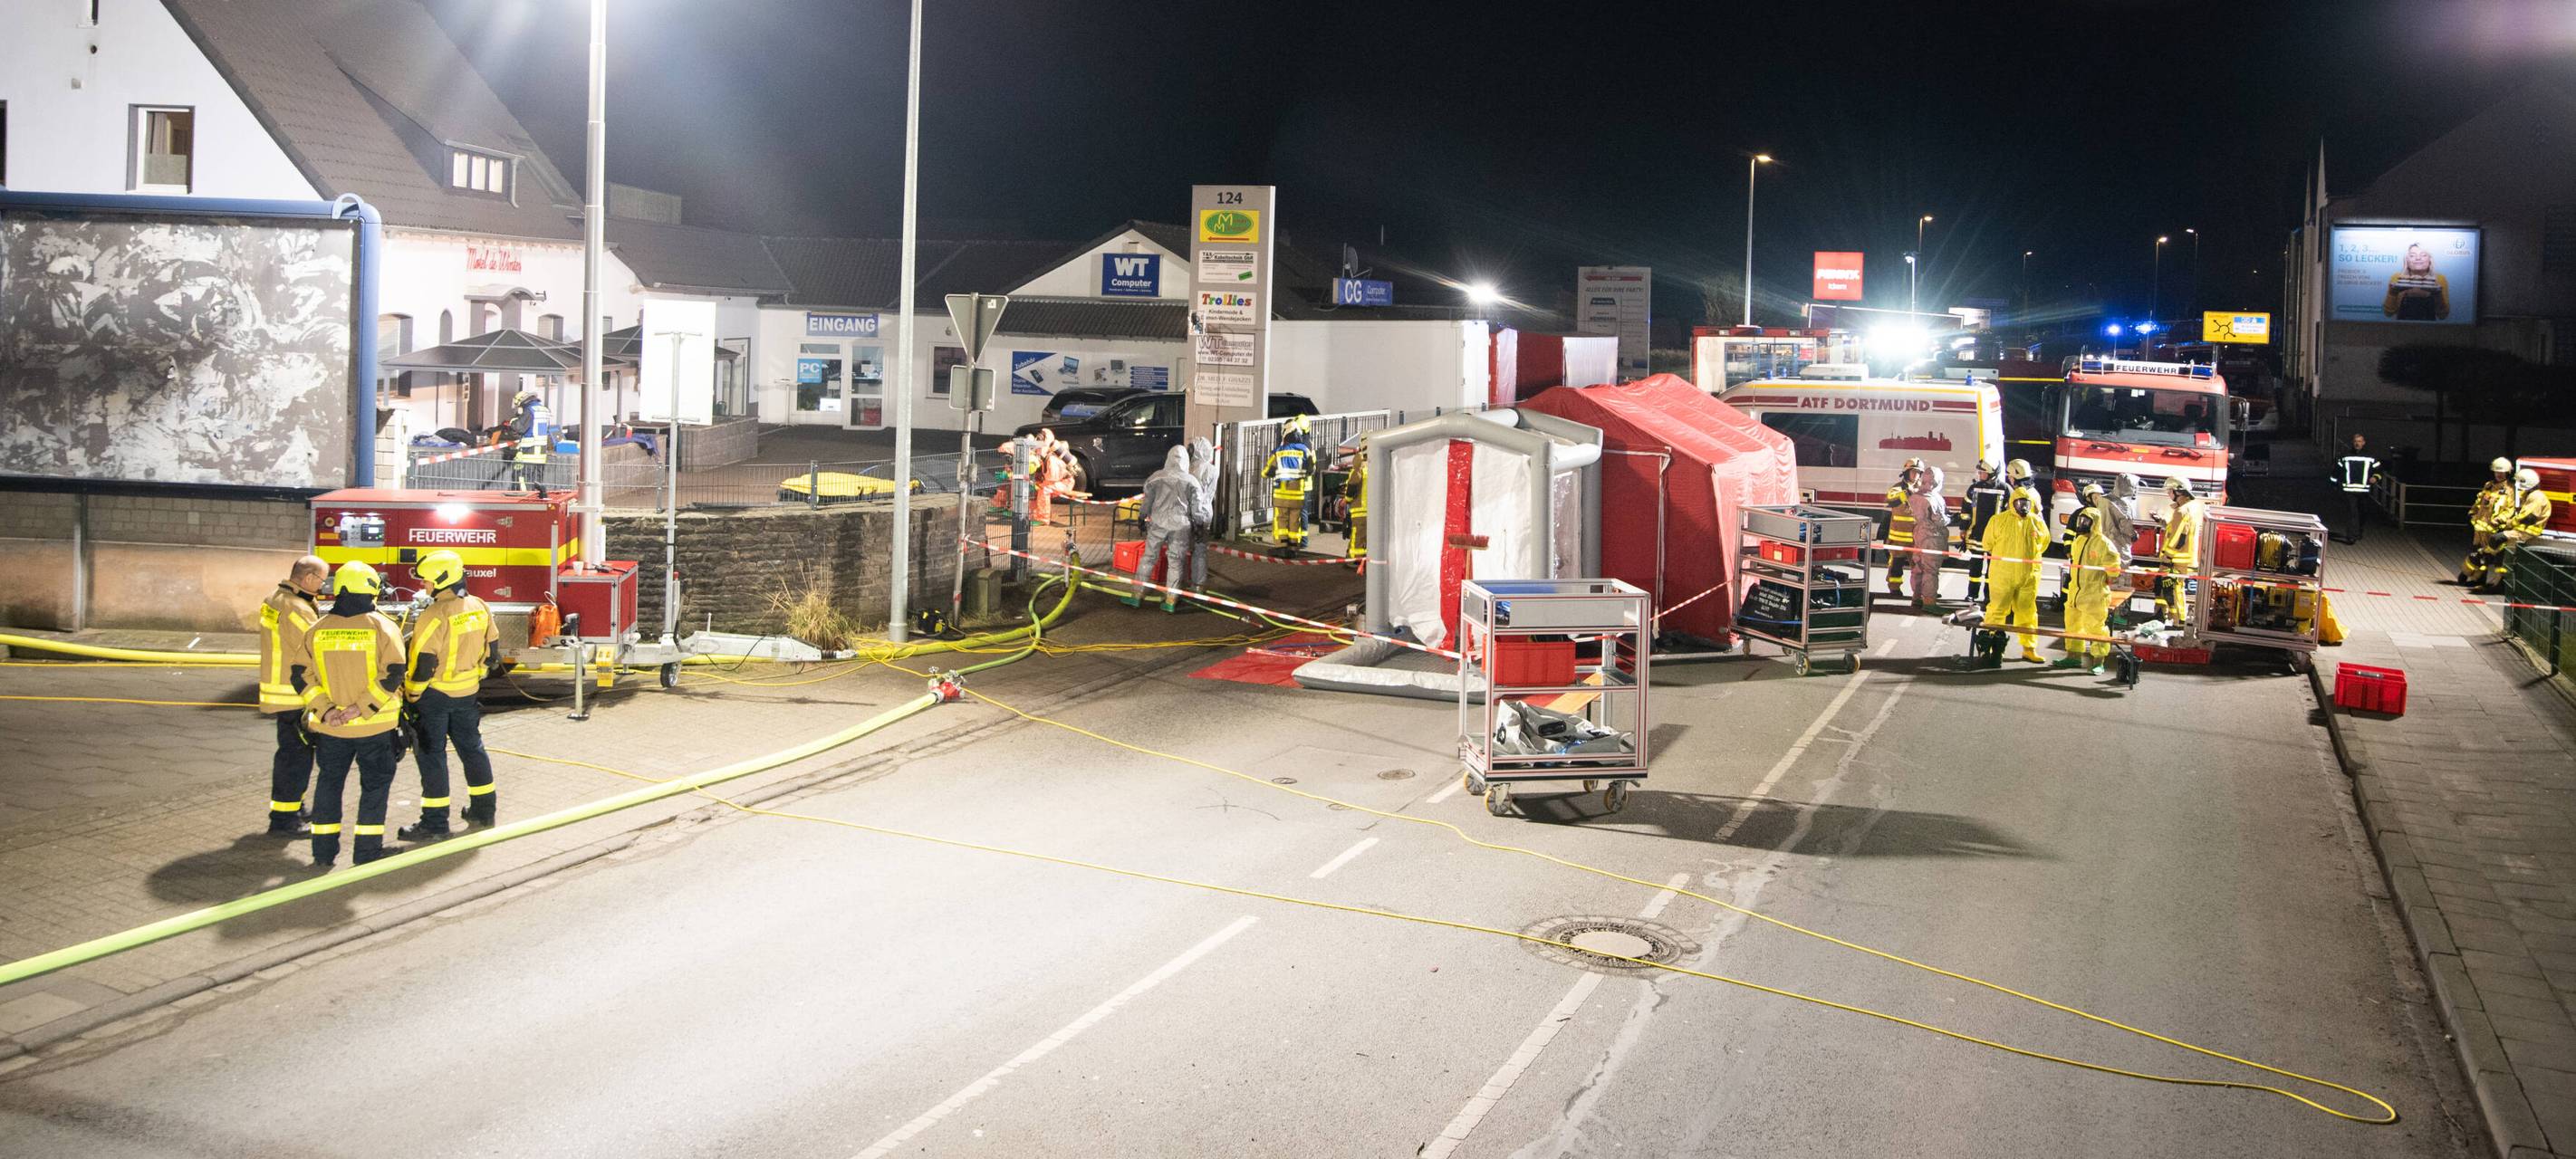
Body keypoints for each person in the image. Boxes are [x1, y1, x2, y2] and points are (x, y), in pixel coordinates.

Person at [292, 561, 409, 867]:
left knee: (329, 785)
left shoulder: (317, 629)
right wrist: (362, 707)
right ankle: (367, 851)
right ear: (370, 589)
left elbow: (300, 676)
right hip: (374, 727)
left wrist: (327, 710)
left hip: (332, 729)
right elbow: (393, 674)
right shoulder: (383, 627)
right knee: (374, 787)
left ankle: (323, 853)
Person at [397, 551, 499, 840]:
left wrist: (412, 695)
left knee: (432, 758)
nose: (424, 586)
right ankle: (484, 810)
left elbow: (424, 664)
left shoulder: (433, 615)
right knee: (473, 750)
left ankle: (435, 823)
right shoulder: (479, 606)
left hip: (434, 698)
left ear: (443, 579)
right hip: (467, 695)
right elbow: (493, 653)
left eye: (428, 581)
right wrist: (474, 675)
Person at [256, 555, 329, 835]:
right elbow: (314, 648)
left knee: (293, 754)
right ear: (309, 578)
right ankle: (284, 819)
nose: (323, 586)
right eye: (322, 580)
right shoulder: (296, 608)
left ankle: (293, 806)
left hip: (280, 690)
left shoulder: (275, 598)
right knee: (295, 758)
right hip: (294, 694)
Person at [1981, 485, 2050, 663]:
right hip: (2002, 575)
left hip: (2028, 577)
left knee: (2027, 613)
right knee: (1997, 610)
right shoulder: (1998, 520)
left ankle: (2029, 649)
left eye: (2026, 502)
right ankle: (1991, 646)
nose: (2023, 506)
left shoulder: (2037, 522)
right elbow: (1987, 544)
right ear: (2012, 503)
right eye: (2019, 502)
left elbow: (2044, 543)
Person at [2056, 507, 2125, 674]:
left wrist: (2101, 582)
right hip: (2075, 592)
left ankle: (2098, 662)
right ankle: (2073, 657)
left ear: (2095, 523)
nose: (2082, 524)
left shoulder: (2103, 544)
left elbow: (2113, 571)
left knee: (2096, 628)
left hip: (2094, 594)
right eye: (2081, 520)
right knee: (2072, 626)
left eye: (2086, 521)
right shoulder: (2078, 541)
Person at [1138, 447, 1203, 611]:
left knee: (1148, 557)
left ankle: (1137, 594)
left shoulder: (1155, 478)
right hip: (1180, 525)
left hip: (1158, 523)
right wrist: (1199, 525)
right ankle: (1171, 599)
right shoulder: (1191, 481)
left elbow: (1147, 502)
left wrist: (1142, 516)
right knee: (1175, 561)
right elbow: (1197, 508)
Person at [2482, 467, 2555, 591]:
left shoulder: (2537, 497)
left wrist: (2509, 523)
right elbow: (2515, 510)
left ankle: (2486, 556)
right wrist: (2502, 520)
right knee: (2503, 556)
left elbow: (2528, 518)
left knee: (2497, 540)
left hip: (2526, 532)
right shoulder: (2528, 495)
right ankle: (2497, 582)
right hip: (2519, 531)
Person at [1957, 459, 2010, 606]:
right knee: (1975, 567)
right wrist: (1963, 528)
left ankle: (1988, 596)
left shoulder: (2005, 489)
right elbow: (1966, 510)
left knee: (1992, 570)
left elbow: (2009, 514)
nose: (1980, 475)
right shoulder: (1974, 488)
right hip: (1976, 535)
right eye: (1979, 472)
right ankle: (1971, 594)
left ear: (1992, 474)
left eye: (1983, 472)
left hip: (1996, 538)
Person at [2461, 458, 2516, 586]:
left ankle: (2490, 583)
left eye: (2502, 472)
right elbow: (2479, 503)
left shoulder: (2510, 490)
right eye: (2497, 471)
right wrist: (2472, 514)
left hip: (2494, 530)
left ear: (2508, 472)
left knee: (2489, 557)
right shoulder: (2489, 486)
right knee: (2476, 554)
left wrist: (2498, 520)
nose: (2499, 474)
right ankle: (2476, 580)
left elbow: (2509, 510)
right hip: (2479, 529)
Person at [2158, 476, 2204, 623]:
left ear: (2178, 492)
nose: (2168, 494)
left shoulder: (2181, 512)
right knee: (2171, 587)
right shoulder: (2191, 507)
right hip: (2185, 557)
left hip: (2177, 559)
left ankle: (2179, 621)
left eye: (2170, 491)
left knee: (2175, 589)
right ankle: (2168, 616)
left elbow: (2179, 538)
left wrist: (2168, 557)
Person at [1265, 415, 1314, 549]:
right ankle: (1294, 545)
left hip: (1281, 494)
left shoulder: (1279, 452)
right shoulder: (1306, 449)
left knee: (1281, 520)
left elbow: (1267, 472)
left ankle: (1281, 546)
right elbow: (1311, 468)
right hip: (1298, 492)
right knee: (1295, 520)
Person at [1907, 464, 1948, 611]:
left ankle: (1916, 598)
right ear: (1936, 481)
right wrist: (1950, 519)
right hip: (1932, 537)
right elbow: (1939, 520)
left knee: (1918, 568)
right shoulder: (1934, 498)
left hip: (1918, 534)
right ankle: (1930, 602)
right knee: (1930, 570)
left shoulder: (1915, 496)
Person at [1881, 459, 1924, 597]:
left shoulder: (1923, 490)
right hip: (1898, 537)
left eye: (1918, 473)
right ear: (1906, 473)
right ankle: (1894, 589)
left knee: (1918, 567)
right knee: (1896, 566)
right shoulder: (1897, 488)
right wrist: (1906, 493)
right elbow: (1891, 499)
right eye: (1913, 472)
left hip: (1916, 538)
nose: (1915, 475)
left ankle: (1920, 592)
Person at [2382, 243, 2450, 321]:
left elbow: (2443, 316)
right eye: (2412, 255)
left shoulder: (2439, 279)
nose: (2418, 258)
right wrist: (2393, 293)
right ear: (2407, 260)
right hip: (2402, 329)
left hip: (2430, 330)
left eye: (2423, 255)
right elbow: (2388, 313)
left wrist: (2438, 295)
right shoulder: (2397, 278)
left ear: (2430, 260)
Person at [505, 388, 552, 496]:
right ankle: (536, 498)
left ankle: (525, 499)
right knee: (536, 480)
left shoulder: (529, 411)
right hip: (541, 454)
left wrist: (513, 421)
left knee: (523, 478)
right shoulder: (543, 410)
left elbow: (519, 428)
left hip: (529, 452)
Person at [2334, 433, 2379, 544]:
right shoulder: (2345, 456)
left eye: (2359, 441)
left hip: (2364, 491)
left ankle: (2359, 531)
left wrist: (2375, 477)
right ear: (2352, 442)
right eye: (2355, 441)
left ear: (2363, 443)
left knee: (2363, 512)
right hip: (2349, 490)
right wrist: (2335, 484)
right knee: (2352, 513)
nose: (2357, 443)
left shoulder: (2370, 457)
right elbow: (2337, 471)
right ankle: (2351, 536)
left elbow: (2379, 470)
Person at [1187, 436, 1219, 587]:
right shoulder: (1212, 470)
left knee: (1181, 549)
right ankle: (1198, 585)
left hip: (1188, 514)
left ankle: (1178, 585)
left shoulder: (1187, 469)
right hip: (1205, 513)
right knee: (1200, 550)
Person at [1342, 445, 1370, 560]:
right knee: (1368, 536)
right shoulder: (1380, 461)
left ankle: (1354, 559)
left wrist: (1346, 500)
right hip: (1374, 509)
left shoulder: (1360, 467)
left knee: (1357, 535)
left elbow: (1353, 485)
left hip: (1360, 509)